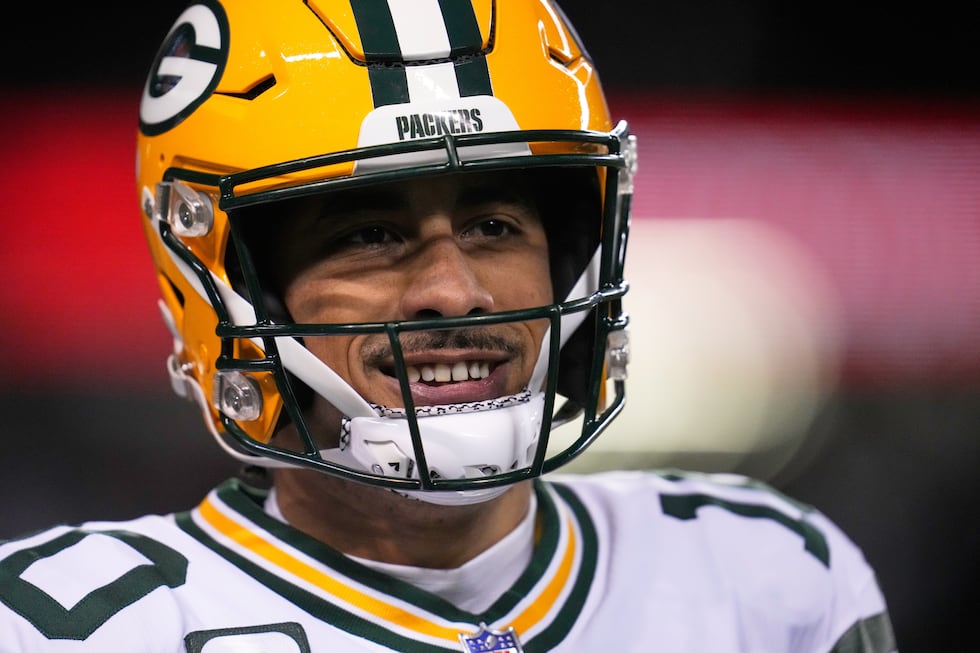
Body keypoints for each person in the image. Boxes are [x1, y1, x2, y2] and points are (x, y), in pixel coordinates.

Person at [0, 1, 896, 651]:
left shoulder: (769, 578)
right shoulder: (69, 628)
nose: (454, 290)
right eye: (370, 233)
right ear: (230, 289)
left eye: (494, 226)